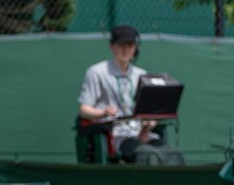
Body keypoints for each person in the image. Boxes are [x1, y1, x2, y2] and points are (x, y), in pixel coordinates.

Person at [78, 25, 184, 164]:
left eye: (130, 45)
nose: (125, 49)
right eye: (121, 45)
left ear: (135, 48)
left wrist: (149, 124)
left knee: (174, 155)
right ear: (112, 47)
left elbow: (148, 113)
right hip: (117, 137)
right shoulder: (97, 72)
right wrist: (103, 112)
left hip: (143, 135)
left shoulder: (141, 74)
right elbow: (83, 110)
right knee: (147, 154)